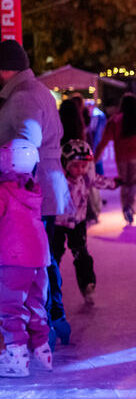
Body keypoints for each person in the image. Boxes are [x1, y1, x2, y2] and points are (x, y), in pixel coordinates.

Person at [0, 40, 71, 344]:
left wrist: (15, 187)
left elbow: (25, 147)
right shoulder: (37, 91)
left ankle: (47, 325)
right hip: (45, 186)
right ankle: (52, 321)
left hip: (30, 192)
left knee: (36, 260)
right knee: (44, 257)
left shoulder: (22, 97)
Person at [0, 140, 53, 377]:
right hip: (39, 258)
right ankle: (42, 351)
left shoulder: (3, 192)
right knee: (35, 305)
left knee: (10, 307)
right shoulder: (33, 190)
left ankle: (17, 357)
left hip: (13, 258)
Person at [52, 140, 117, 307]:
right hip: (57, 223)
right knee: (54, 256)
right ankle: (50, 289)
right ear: (65, 163)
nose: (80, 170)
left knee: (82, 255)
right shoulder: (57, 180)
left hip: (78, 223)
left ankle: (87, 285)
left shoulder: (86, 178)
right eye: (75, 166)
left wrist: (115, 183)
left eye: (84, 166)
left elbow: (99, 181)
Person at [95, 92, 136, 225]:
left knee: (124, 183)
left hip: (121, 157)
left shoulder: (115, 120)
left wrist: (95, 158)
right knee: (135, 183)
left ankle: (125, 208)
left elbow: (103, 142)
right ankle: (130, 207)